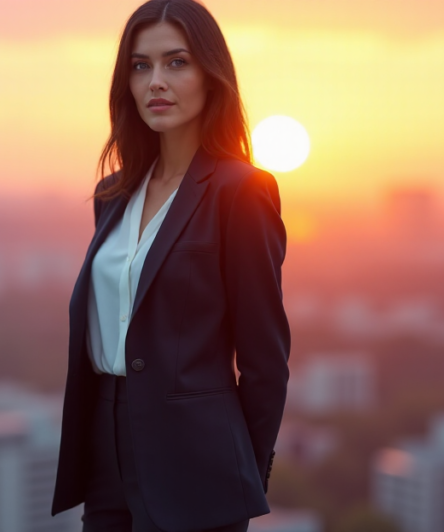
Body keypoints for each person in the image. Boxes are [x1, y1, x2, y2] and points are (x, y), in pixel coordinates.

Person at [51, 0, 291, 530]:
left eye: (176, 62)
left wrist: (240, 479)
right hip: (105, 449)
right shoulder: (113, 194)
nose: (155, 81)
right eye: (141, 66)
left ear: (211, 75)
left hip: (197, 466)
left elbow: (265, 362)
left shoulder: (241, 191)